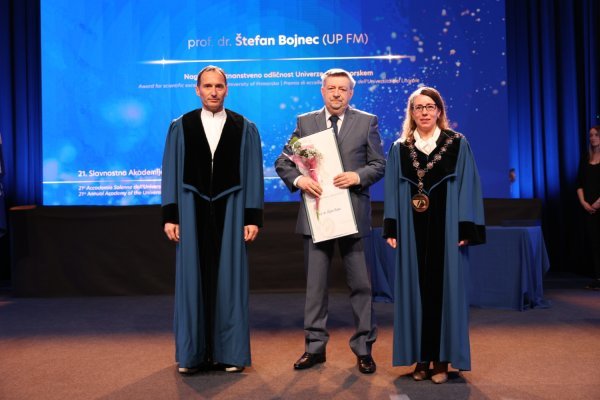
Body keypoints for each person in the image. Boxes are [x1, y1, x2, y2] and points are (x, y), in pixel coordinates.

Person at [275, 68, 385, 374]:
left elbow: (379, 164)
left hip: (354, 216)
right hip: (318, 215)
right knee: (315, 287)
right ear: (323, 91)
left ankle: (364, 349)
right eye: (331, 88)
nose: (337, 93)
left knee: (361, 286)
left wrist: (357, 176)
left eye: (343, 89)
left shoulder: (367, 122)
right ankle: (314, 348)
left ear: (351, 93)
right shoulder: (305, 123)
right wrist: (299, 180)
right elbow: (283, 161)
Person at [161, 65, 264, 374]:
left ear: (227, 89)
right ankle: (192, 355)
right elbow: (170, 173)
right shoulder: (181, 126)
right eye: (207, 86)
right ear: (197, 90)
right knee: (191, 280)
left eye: (219, 86)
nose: (213, 91)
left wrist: (252, 217)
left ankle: (229, 354)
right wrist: (171, 216)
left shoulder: (244, 127)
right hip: (190, 209)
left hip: (230, 209)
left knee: (230, 281)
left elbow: (253, 174)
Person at [383, 87, 485, 384]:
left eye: (430, 106)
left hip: (447, 228)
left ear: (439, 111)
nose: (424, 112)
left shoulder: (457, 143)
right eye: (418, 107)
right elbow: (392, 190)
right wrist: (392, 226)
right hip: (411, 230)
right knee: (414, 292)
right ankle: (421, 358)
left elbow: (468, 186)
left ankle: (441, 360)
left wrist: (465, 226)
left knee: (446, 292)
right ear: (411, 113)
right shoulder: (400, 148)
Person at [576, 125, 600, 290]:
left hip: (599, 205)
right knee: (594, 244)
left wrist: (599, 202)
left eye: (596, 135)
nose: (592, 138)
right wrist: (583, 202)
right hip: (589, 208)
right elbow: (579, 183)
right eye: (591, 135)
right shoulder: (585, 158)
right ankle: (597, 277)